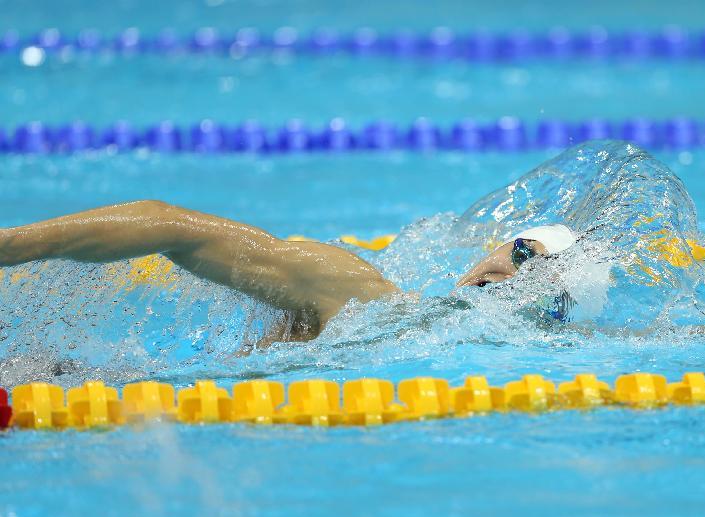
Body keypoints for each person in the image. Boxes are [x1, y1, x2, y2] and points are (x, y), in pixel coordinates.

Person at [0, 200, 576, 341]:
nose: (511, 277)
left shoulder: (365, 299)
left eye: (540, 284)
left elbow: (169, 223)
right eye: (522, 253)